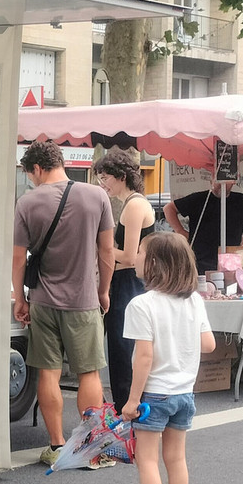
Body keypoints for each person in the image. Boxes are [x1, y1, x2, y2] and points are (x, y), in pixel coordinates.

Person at [13, 140, 115, 467]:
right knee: (89, 373)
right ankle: (90, 448)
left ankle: (57, 446)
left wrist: (20, 298)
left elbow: (18, 258)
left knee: (48, 372)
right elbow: (107, 251)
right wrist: (103, 290)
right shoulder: (97, 196)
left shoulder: (27, 202)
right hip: (84, 301)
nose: (31, 180)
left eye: (30, 174)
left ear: (37, 168)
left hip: (42, 301)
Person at [118, 233, 215, 484]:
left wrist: (132, 401)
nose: (136, 258)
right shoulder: (193, 301)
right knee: (176, 460)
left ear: (155, 263)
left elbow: (143, 358)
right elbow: (208, 344)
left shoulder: (141, 304)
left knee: (147, 461)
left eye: (141, 252)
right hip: (184, 394)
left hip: (153, 396)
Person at [94, 148, 155, 415]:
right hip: (127, 282)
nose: (103, 184)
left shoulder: (134, 205)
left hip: (130, 282)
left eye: (105, 178)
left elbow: (130, 257)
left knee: (122, 349)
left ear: (121, 176)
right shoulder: (132, 203)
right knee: (121, 350)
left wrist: (101, 247)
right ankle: (127, 411)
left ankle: (127, 412)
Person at [163, 180, 243, 274]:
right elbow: (169, 208)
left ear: (233, 182)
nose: (221, 184)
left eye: (225, 181)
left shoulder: (241, 201)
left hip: (231, 260)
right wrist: (180, 231)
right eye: (218, 181)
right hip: (201, 259)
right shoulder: (199, 198)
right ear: (211, 181)